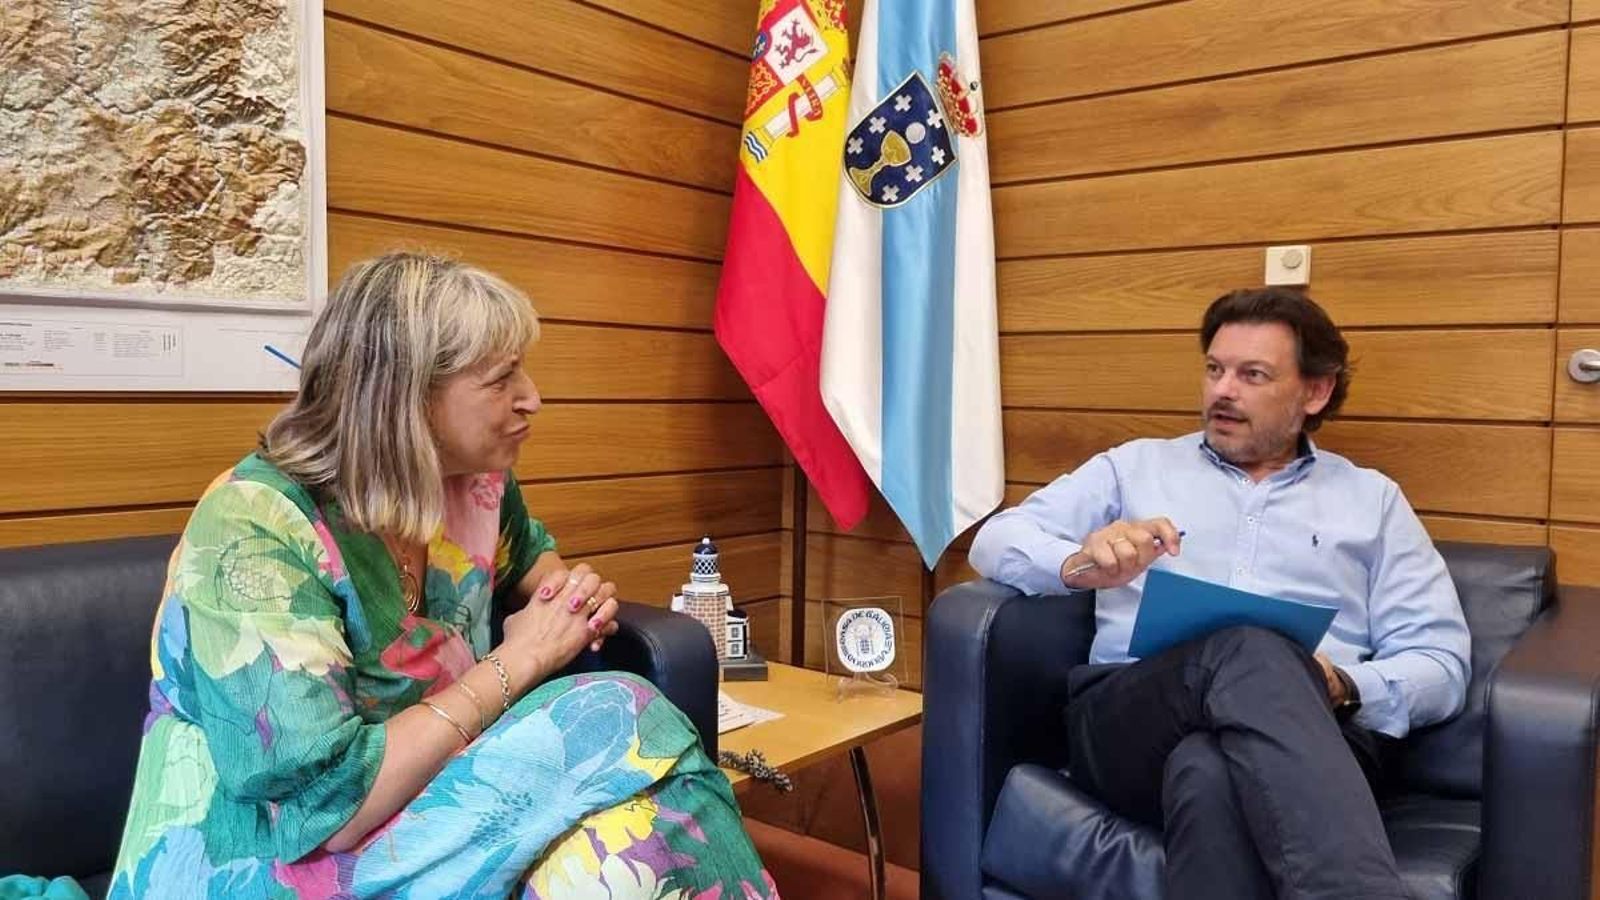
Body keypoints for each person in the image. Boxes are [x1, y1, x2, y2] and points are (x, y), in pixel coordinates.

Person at [108, 253, 778, 899]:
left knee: (611, 856)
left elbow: (533, 561)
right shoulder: (252, 528)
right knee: (619, 713)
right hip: (277, 855)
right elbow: (328, 810)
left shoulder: (474, 484)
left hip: (424, 802)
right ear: (405, 396)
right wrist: (524, 656)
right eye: (502, 379)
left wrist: (568, 598)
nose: (532, 399)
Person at [969, 287, 1471, 900]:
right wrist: (1078, 564)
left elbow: (1441, 664)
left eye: (1252, 374)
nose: (1222, 390)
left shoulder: (1373, 501)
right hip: (1129, 718)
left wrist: (1341, 683)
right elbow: (997, 539)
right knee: (1250, 648)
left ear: (1315, 391)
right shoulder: (1136, 467)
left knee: (1208, 770)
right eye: (1214, 369)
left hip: (1315, 735)